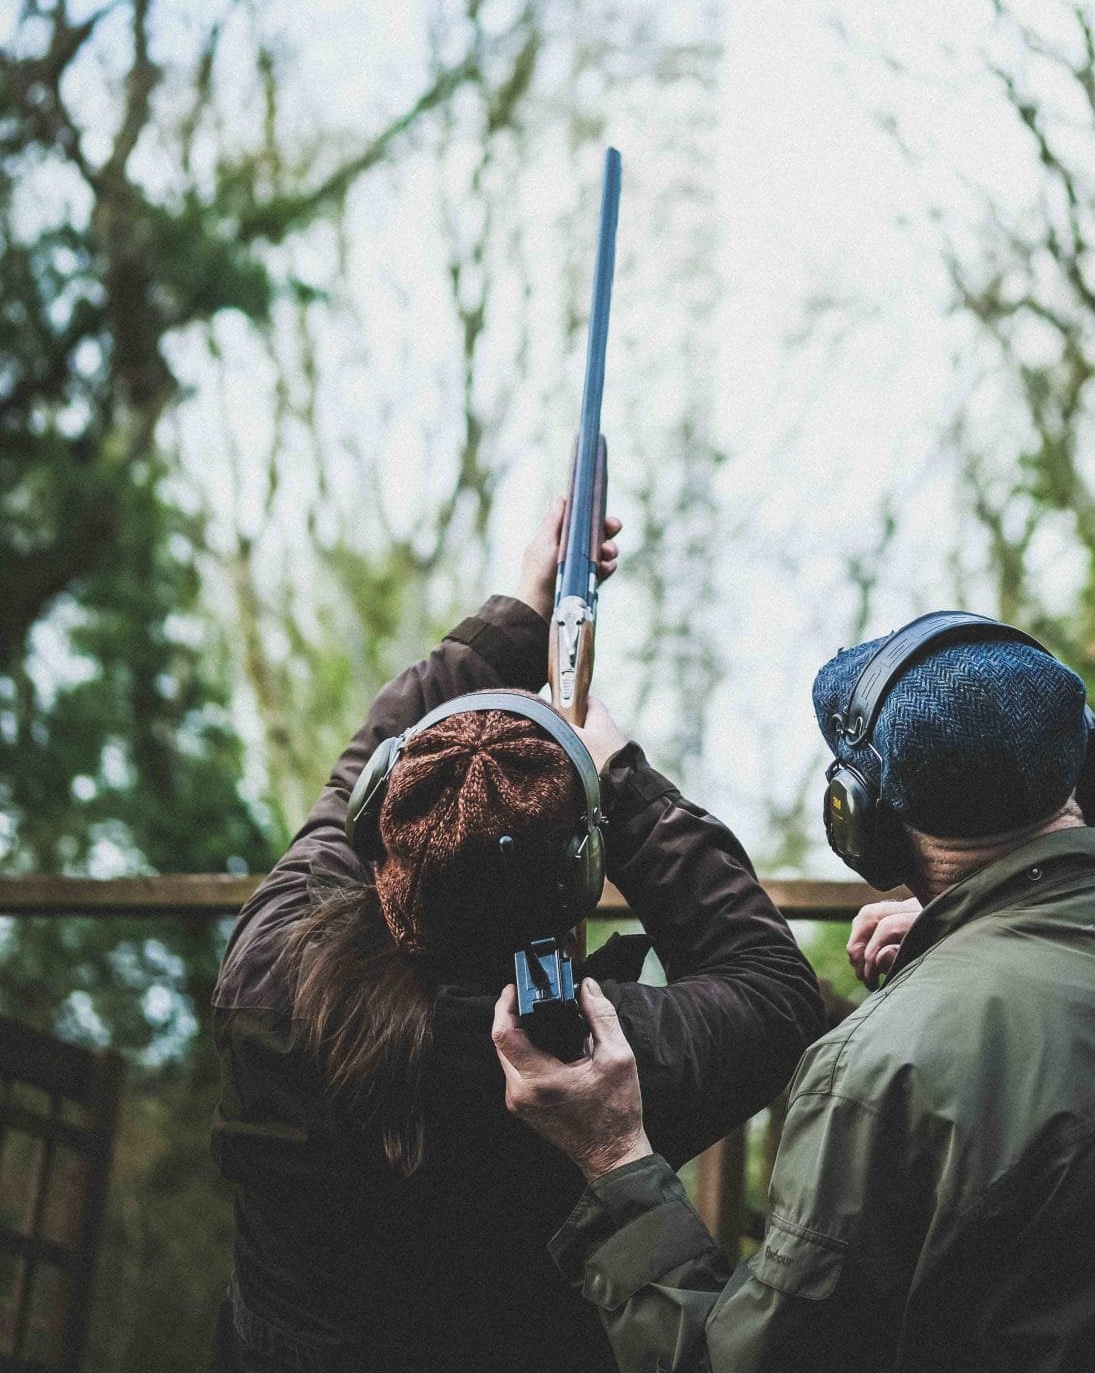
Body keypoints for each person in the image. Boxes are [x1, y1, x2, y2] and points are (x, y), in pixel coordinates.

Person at [495, 611, 1095, 1373]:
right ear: (1084, 763)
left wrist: (616, 1157)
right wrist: (957, 934)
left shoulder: (881, 1068)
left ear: (856, 817)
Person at [210, 501, 824, 1373]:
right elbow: (772, 986)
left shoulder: (274, 971)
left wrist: (516, 616)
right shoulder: (589, 1062)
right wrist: (624, 780)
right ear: (578, 880)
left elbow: (352, 781)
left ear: (381, 839)